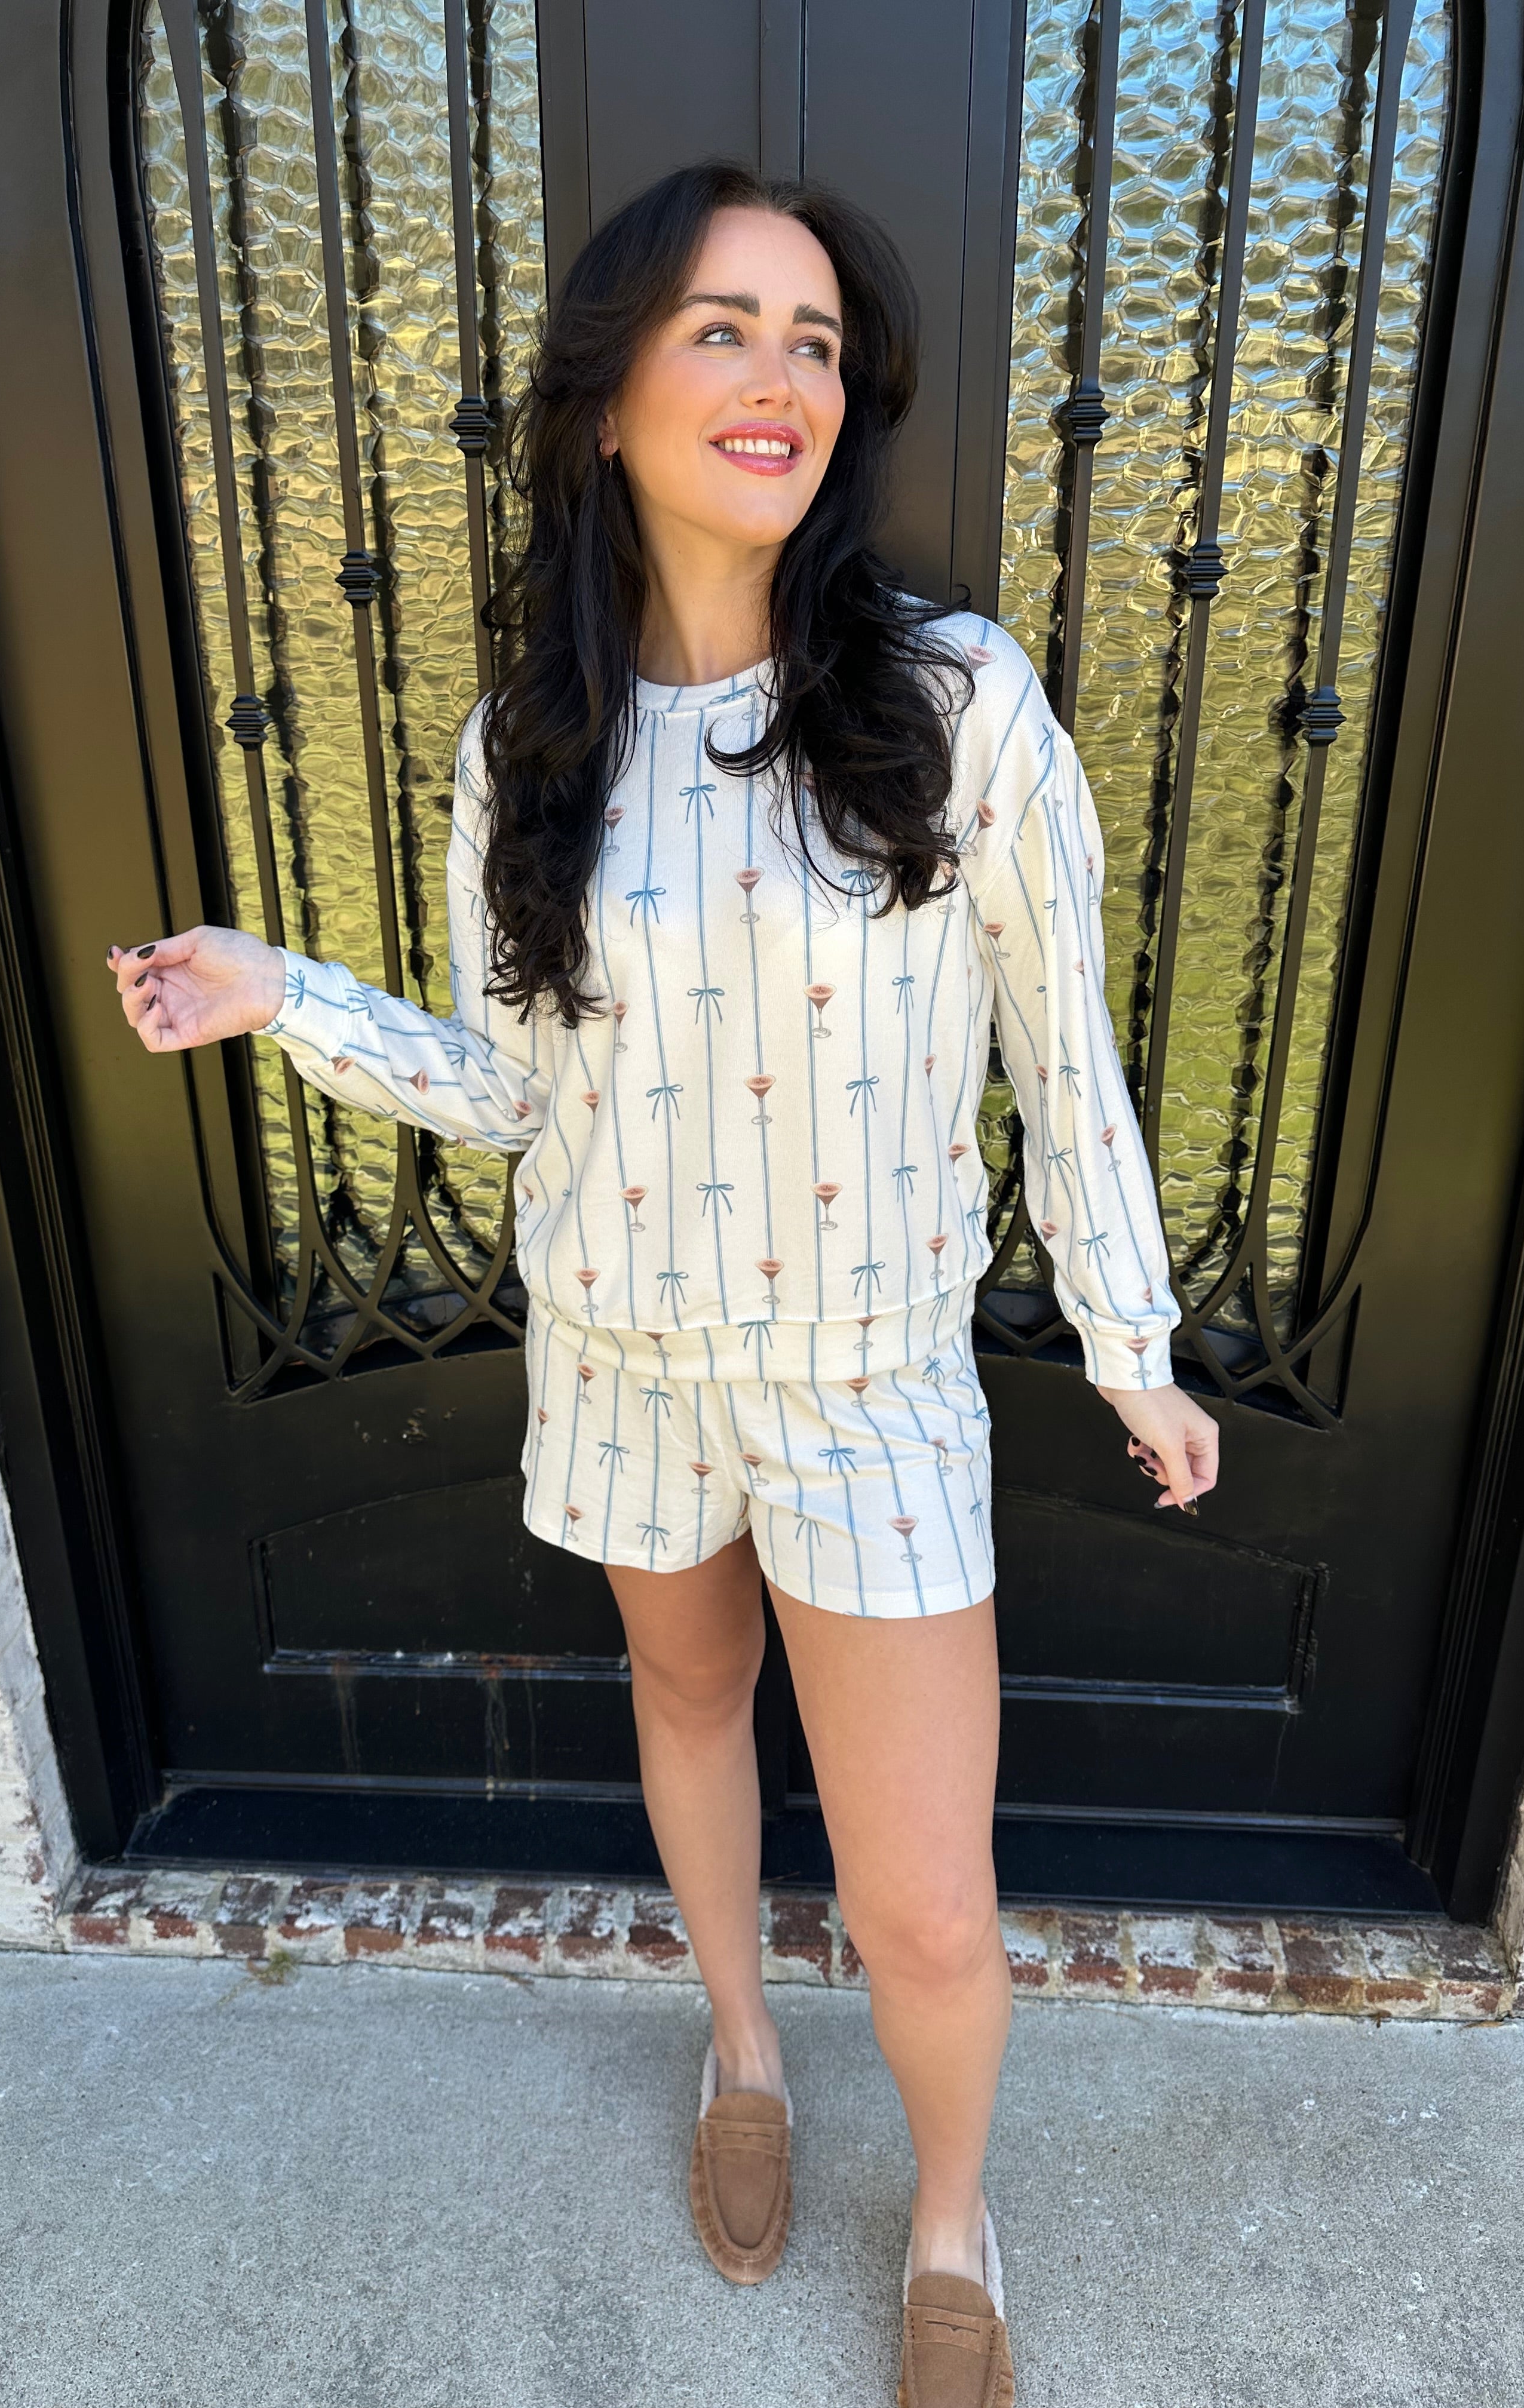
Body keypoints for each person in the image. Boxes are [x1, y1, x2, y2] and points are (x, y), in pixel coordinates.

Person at [108, 159, 1218, 2406]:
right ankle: (741, 2049)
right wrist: (277, 991)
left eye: (813, 342)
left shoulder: (956, 702)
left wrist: (1131, 1342)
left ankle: (953, 2216)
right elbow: (516, 1088)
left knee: (923, 1900)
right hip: (620, 1359)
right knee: (690, 1704)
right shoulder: (528, 751)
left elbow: (1061, 1047)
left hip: (866, 1384)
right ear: (610, 396)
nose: (778, 376)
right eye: (722, 328)